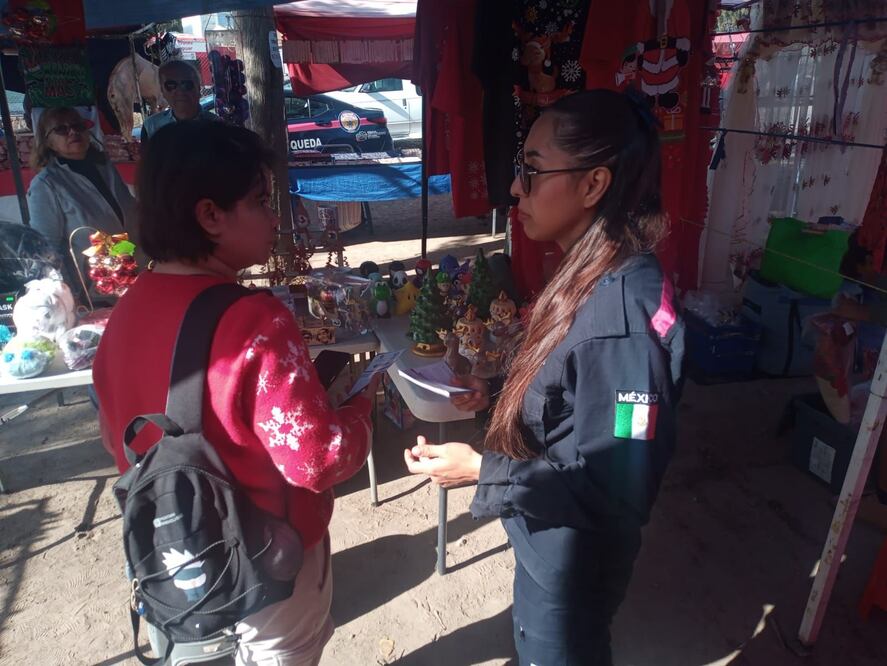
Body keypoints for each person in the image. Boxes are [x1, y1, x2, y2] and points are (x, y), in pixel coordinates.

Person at [404, 89, 685, 666]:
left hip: (574, 559)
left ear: (592, 185)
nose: (514, 188)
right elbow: (573, 394)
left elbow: (616, 489)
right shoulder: (592, 273)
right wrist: (497, 397)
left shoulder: (620, 319)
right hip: (548, 539)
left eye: (531, 171)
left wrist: (483, 471)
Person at [93, 120, 378, 665]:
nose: (275, 217)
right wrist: (362, 408)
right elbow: (315, 460)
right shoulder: (254, 319)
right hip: (267, 555)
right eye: (260, 201)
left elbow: (117, 433)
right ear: (209, 215)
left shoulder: (126, 310)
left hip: (174, 543)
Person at [27, 106, 137, 295]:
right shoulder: (45, 184)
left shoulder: (104, 167)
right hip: (94, 288)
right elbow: (46, 249)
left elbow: (131, 211)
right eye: (61, 129)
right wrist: (71, 295)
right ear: (48, 142)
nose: (73, 132)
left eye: (78, 126)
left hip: (133, 270)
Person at [140, 59, 215, 142]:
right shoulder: (151, 127)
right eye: (171, 85)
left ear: (198, 88)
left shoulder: (217, 127)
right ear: (162, 91)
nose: (180, 91)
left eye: (187, 85)